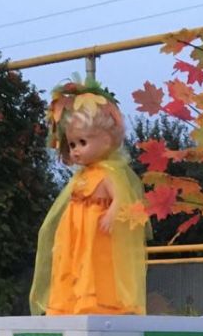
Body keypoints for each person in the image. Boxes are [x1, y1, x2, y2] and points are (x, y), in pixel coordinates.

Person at [30, 79, 147, 316]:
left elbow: (122, 198)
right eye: (72, 144)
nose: (75, 150)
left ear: (106, 140)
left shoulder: (109, 173)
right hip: (75, 230)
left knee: (95, 264)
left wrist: (112, 212)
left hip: (96, 229)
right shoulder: (81, 176)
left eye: (82, 142)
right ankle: (69, 301)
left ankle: (97, 300)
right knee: (72, 263)